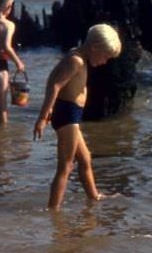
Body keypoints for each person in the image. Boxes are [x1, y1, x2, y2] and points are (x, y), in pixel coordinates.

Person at [33, 23, 122, 210]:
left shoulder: (78, 55)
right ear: (95, 47)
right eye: (105, 56)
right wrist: (43, 116)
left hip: (72, 114)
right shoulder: (77, 61)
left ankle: (94, 196)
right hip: (67, 115)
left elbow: (54, 78)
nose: (105, 61)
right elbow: (55, 85)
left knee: (85, 159)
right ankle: (53, 208)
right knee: (66, 166)